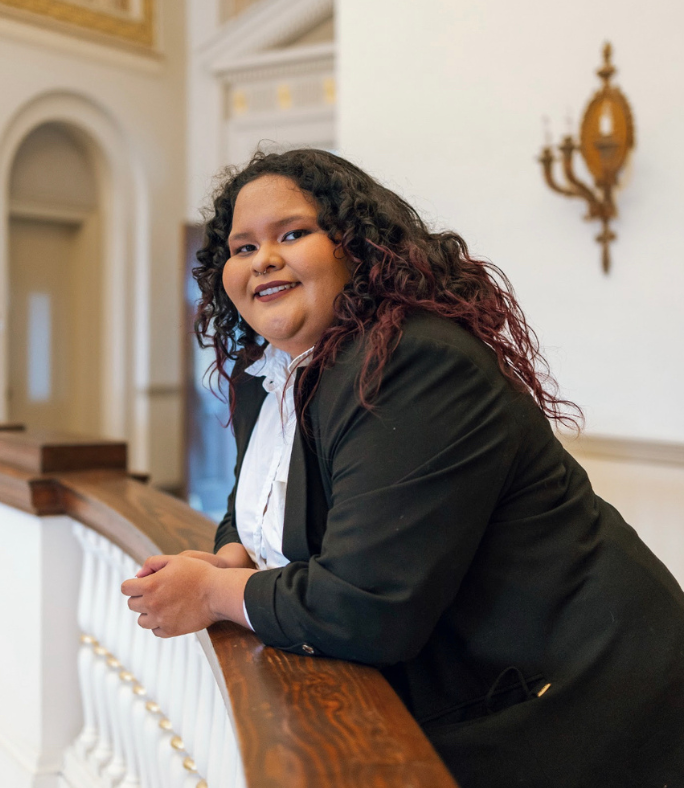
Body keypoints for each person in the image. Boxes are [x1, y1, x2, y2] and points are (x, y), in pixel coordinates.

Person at [122, 149, 684, 786]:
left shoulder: (414, 364)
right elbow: (250, 506)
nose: (263, 260)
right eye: (242, 247)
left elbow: (365, 607)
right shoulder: (273, 375)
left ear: (355, 247)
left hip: (580, 692)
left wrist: (212, 594)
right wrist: (231, 556)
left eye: (292, 234)